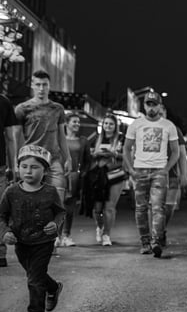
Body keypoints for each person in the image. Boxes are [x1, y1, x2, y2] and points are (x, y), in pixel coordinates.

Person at [0, 145, 65, 312]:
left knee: (34, 278)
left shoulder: (50, 192)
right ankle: (53, 287)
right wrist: (4, 232)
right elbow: (1, 216)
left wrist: (55, 224)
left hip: (44, 242)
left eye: (35, 167)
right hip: (21, 243)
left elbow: (60, 213)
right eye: (24, 166)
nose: (28, 171)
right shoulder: (11, 192)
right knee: (35, 275)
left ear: (45, 171)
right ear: (18, 168)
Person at [123, 91, 179, 258]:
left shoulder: (168, 126)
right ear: (144, 105)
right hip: (140, 170)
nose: (152, 108)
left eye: (155, 104)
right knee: (140, 208)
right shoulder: (136, 124)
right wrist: (131, 170)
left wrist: (166, 169)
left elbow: (176, 152)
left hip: (159, 171)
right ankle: (145, 242)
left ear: (160, 106)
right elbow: (126, 148)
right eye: (149, 104)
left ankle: (156, 242)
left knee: (158, 208)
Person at [14, 70, 71, 205]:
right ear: (32, 85)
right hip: (30, 159)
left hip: (53, 159)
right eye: (38, 84)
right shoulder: (22, 108)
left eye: (44, 85)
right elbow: (16, 137)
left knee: (58, 201)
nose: (41, 88)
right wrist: (15, 161)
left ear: (49, 86)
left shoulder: (58, 108)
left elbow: (61, 136)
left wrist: (68, 158)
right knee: (30, 202)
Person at [91, 114, 125, 246]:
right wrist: (95, 154)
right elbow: (89, 154)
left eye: (111, 124)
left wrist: (114, 154)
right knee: (97, 208)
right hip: (98, 176)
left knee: (109, 207)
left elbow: (128, 155)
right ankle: (100, 227)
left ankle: (107, 234)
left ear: (115, 126)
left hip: (116, 175)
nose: (108, 126)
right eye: (106, 123)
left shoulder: (121, 138)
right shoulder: (96, 138)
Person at [158, 104, 187, 247]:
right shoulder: (148, 129)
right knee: (155, 207)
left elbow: (182, 153)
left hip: (172, 175)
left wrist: (184, 173)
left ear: (165, 113)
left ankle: (161, 229)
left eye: (161, 112)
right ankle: (155, 235)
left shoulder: (175, 130)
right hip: (154, 174)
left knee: (169, 207)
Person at [59, 113, 90, 247]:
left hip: (74, 178)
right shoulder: (59, 139)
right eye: (74, 121)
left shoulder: (83, 140)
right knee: (58, 206)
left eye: (78, 122)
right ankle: (57, 236)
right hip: (59, 176)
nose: (77, 124)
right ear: (66, 123)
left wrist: (82, 174)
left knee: (70, 209)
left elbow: (87, 160)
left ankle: (66, 235)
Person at [0, 93, 22, 268]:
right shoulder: (4, 101)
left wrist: (13, 166)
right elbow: (9, 138)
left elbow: (10, 137)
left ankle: (1, 252)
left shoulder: (4, 102)